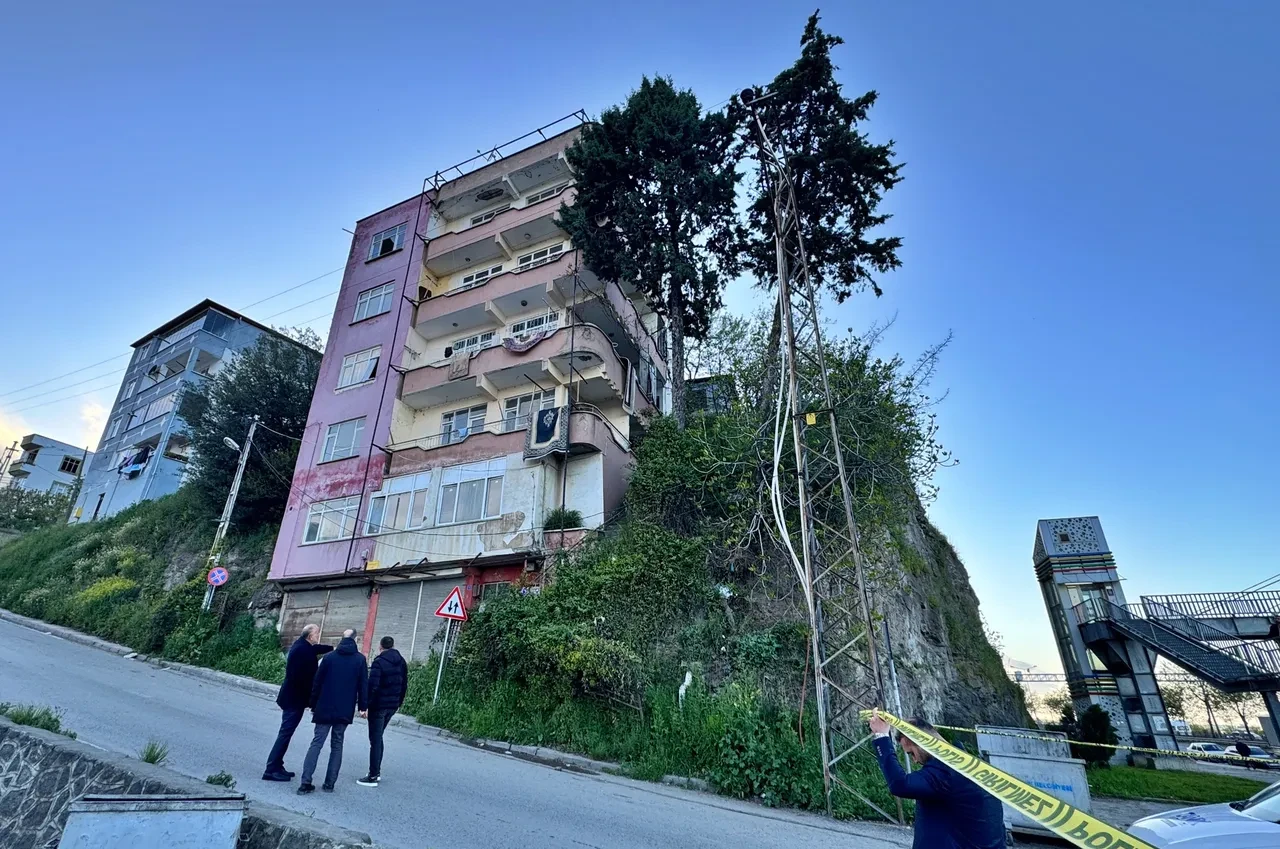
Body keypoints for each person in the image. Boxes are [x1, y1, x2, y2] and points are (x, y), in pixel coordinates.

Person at [869, 710, 1006, 849]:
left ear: (919, 742)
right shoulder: (971, 766)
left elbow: (900, 784)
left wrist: (881, 737)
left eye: (912, 753)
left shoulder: (945, 772)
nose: (914, 760)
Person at [298, 628, 367, 794]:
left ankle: (305, 782)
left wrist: (312, 703)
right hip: (344, 709)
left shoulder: (329, 657)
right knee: (337, 744)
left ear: (341, 638)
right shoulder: (360, 660)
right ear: (356, 640)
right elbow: (363, 685)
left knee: (316, 743)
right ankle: (329, 784)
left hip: (324, 707)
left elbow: (317, 682)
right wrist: (363, 707)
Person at [263, 623, 332, 781]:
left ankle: (278, 765)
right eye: (317, 633)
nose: (318, 635)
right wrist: (312, 700)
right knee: (285, 733)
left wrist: (333, 648)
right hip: (294, 700)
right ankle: (271, 769)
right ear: (310, 636)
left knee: (287, 733)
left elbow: (316, 649)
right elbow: (303, 679)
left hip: (293, 698)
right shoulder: (303, 651)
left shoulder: (302, 645)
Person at [357, 635, 409, 787]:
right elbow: (404, 684)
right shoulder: (401, 661)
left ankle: (373, 775)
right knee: (378, 738)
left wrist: (364, 705)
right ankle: (376, 772)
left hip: (378, 706)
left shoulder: (379, 662)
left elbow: (372, 685)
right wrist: (398, 703)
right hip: (392, 705)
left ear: (380, 647)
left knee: (375, 739)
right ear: (392, 646)